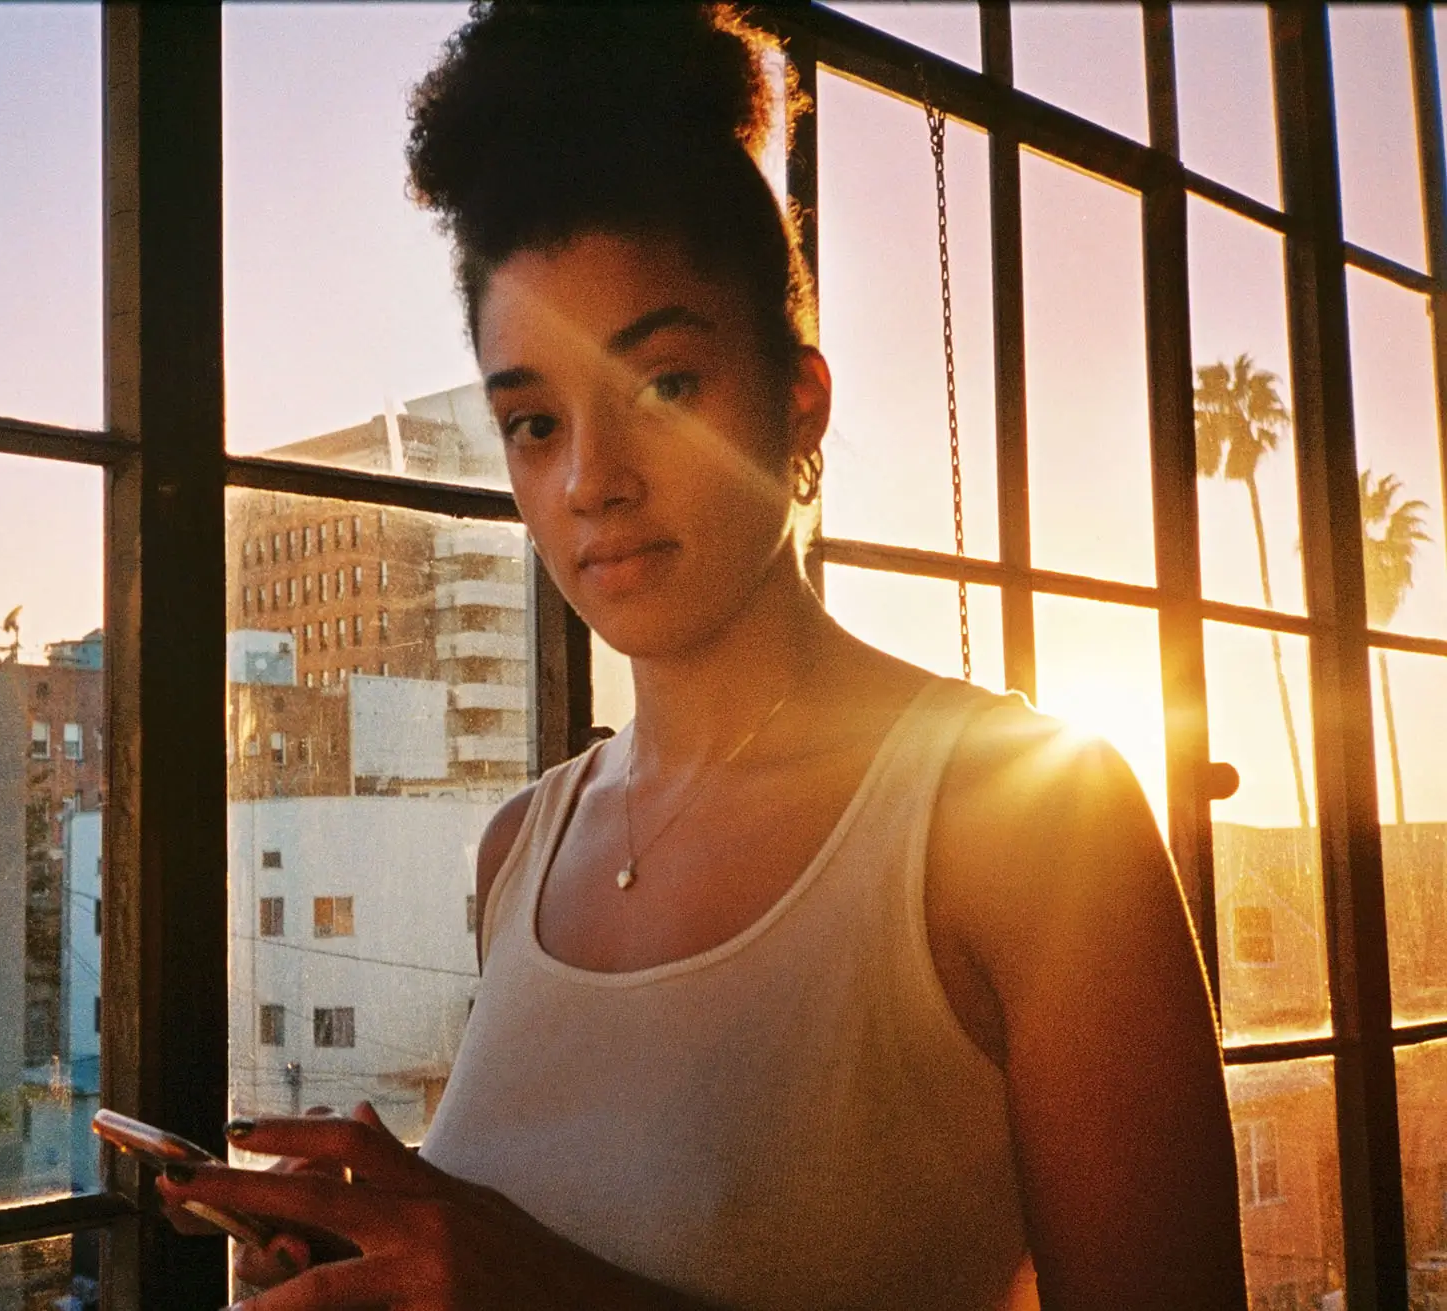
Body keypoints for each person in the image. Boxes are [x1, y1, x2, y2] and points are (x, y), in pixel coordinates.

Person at [160, 5, 1246, 1307]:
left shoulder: (1029, 819)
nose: (592, 480)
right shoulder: (519, 848)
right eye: (534, 420)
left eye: (663, 383)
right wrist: (399, 1250)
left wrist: (533, 1288)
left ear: (801, 402)